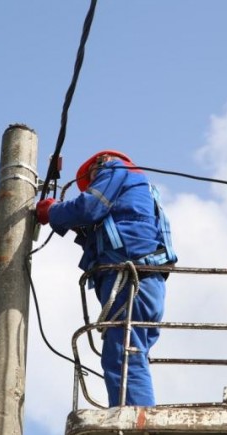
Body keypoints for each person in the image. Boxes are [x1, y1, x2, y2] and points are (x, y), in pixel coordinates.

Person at [35, 150, 177, 407]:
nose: (93, 183)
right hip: (145, 281)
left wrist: (53, 211)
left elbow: (89, 207)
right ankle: (135, 414)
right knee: (129, 352)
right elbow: (98, 225)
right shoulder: (136, 193)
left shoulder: (114, 168)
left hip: (130, 277)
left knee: (123, 354)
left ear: (100, 163)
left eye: (92, 179)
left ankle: (133, 419)